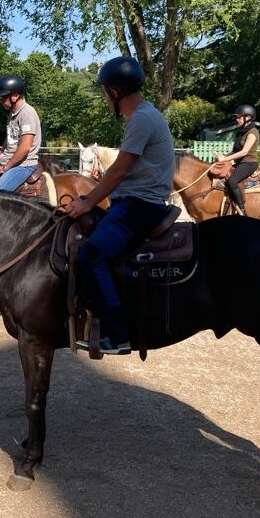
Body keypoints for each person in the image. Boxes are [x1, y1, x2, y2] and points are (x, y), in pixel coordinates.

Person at [64, 57, 174, 355]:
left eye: (103, 92)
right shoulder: (143, 115)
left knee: (92, 256)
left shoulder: (141, 119)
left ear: (114, 91)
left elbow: (118, 170)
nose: (103, 98)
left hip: (140, 204)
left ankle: (118, 332)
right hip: (135, 200)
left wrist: (88, 200)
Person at [0, 75, 42, 192]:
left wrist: (6, 167)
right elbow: (9, 140)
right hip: (11, 163)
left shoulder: (27, 113)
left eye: (3, 97)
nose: (1, 101)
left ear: (15, 96)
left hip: (23, 165)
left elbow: (25, 147)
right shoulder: (12, 113)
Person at [214, 104, 259, 216]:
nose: (237, 119)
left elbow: (244, 152)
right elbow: (235, 151)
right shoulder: (240, 132)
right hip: (240, 163)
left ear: (247, 118)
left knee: (232, 181)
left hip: (249, 163)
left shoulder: (253, 132)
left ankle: (242, 211)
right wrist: (223, 156)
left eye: (239, 117)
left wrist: (225, 159)